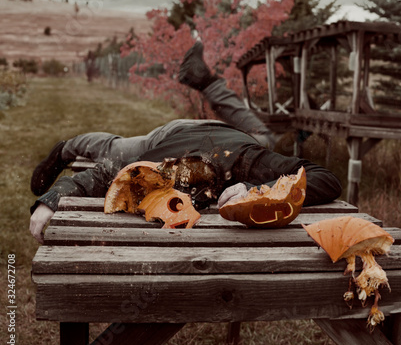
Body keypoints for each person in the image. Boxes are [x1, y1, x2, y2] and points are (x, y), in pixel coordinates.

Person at [29, 43, 342, 243]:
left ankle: (203, 79)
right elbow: (100, 175)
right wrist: (51, 200)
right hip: (173, 135)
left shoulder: (247, 160)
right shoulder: (157, 163)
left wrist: (257, 190)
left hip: (235, 138)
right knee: (114, 149)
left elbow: (326, 178)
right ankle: (67, 147)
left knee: (262, 137)